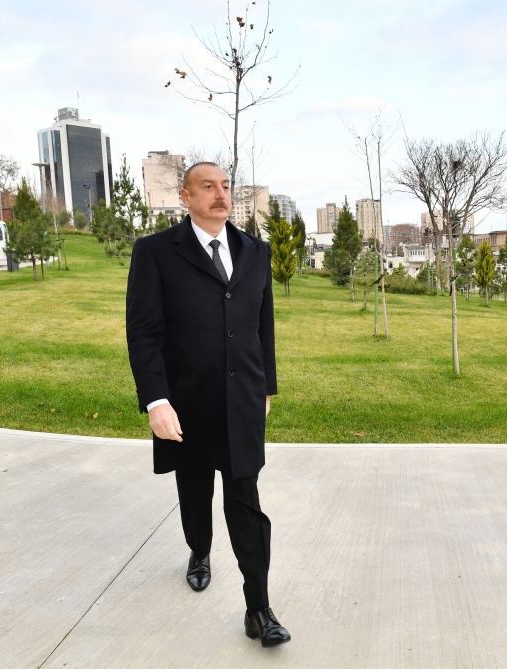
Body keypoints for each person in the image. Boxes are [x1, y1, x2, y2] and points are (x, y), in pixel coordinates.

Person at [126, 161, 290, 647]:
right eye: (208, 187)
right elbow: (144, 332)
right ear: (185, 196)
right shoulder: (155, 253)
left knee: (246, 503)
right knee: (195, 491)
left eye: (225, 187)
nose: (220, 195)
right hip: (186, 402)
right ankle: (199, 551)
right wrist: (156, 399)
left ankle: (258, 609)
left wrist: (266, 389)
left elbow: (264, 328)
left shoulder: (255, 252)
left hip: (241, 401)